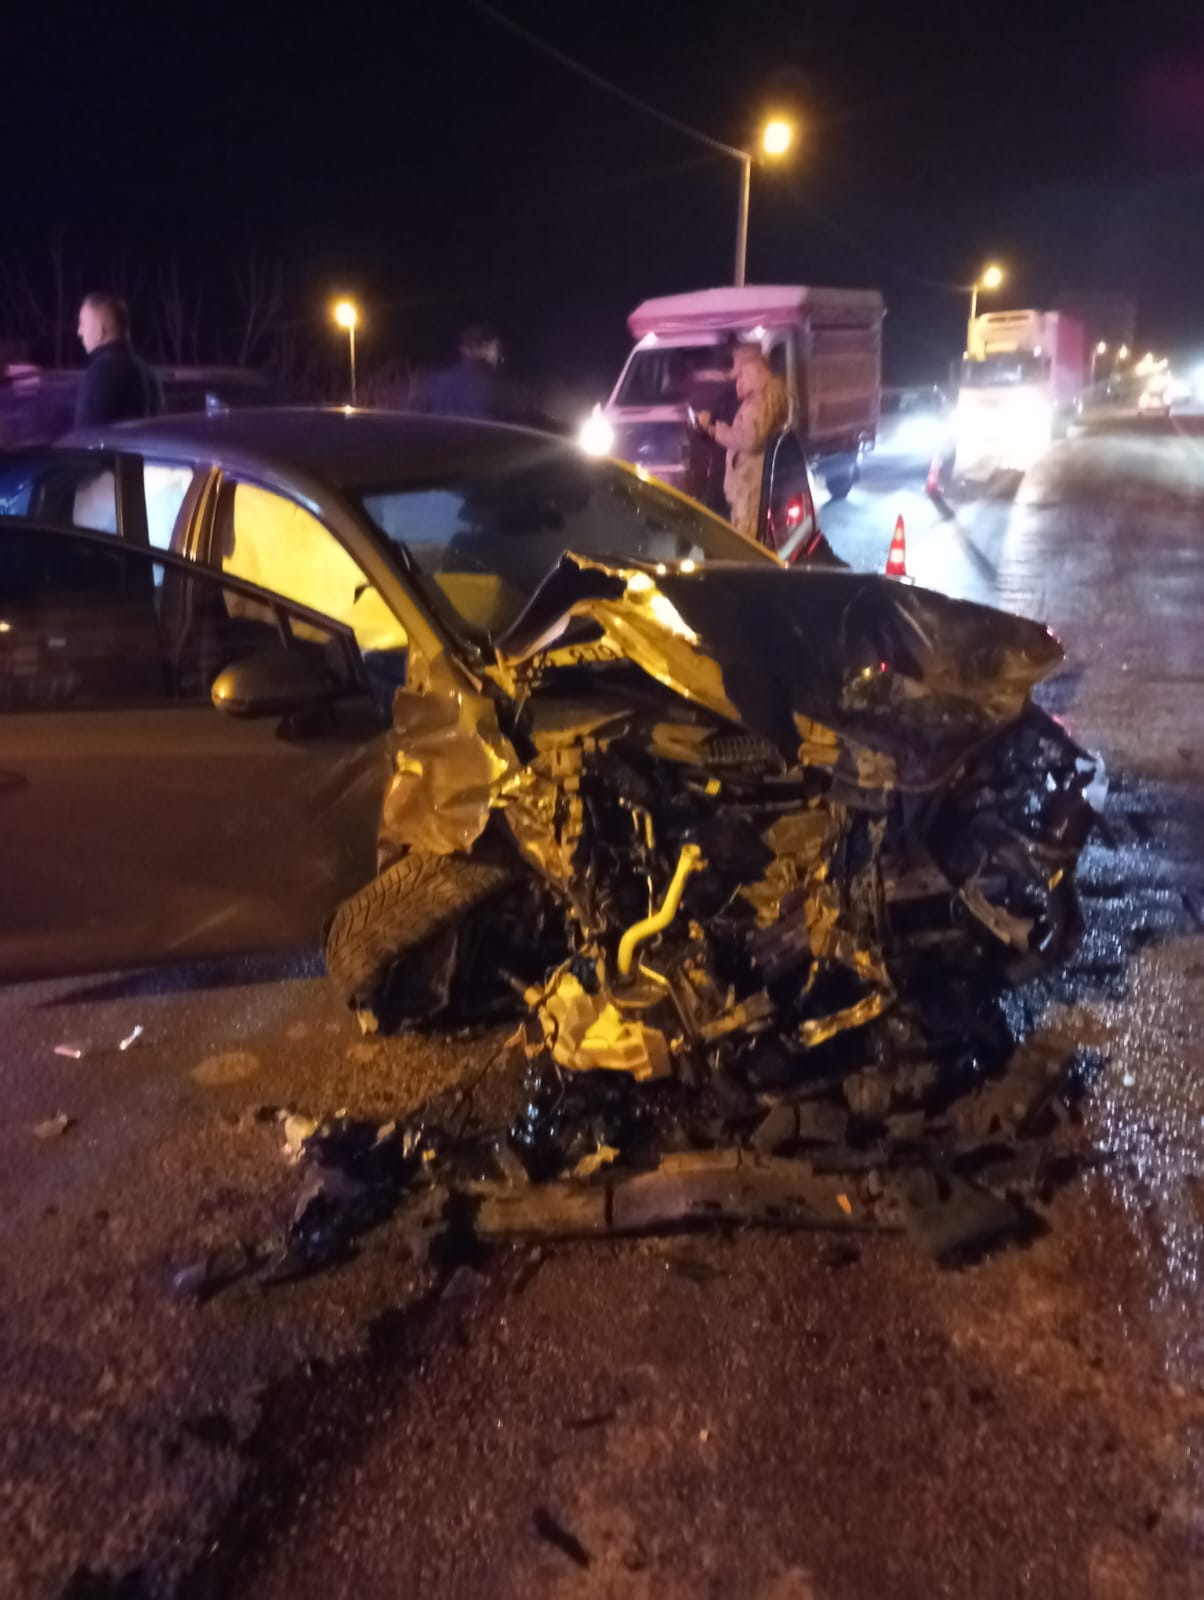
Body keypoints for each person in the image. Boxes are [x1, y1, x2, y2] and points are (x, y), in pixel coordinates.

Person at [695, 345, 788, 539]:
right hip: (748, 487)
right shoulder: (761, 398)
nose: (738, 382)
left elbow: (749, 439)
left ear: (754, 371)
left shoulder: (759, 402)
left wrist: (719, 431)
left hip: (751, 488)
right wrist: (714, 430)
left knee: (748, 542)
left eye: (741, 376)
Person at [74, 292, 163, 427]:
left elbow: (86, 433)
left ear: (99, 330)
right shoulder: (148, 373)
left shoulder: (101, 372)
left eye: (82, 323)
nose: (79, 332)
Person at [413, 324, 505, 420]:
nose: (494, 354)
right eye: (490, 348)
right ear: (465, 349)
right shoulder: (496, 386)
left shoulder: (435, 380)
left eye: (494, 349)